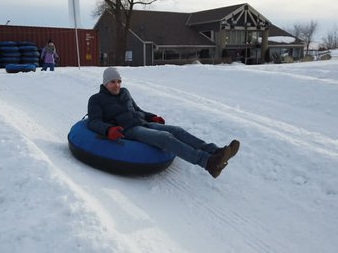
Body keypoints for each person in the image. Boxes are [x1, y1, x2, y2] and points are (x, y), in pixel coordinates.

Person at [87, 67, 240, 178]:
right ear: (105, 83)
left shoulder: (125, 92)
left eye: (119, 81)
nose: (117, 85)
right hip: (127, 130)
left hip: (141, 122)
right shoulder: (96, 99)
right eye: (113, 82)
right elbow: (94, 122)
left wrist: (152, 117)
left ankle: (215, 151)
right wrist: (109, 130)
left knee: (177, 130)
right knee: (165, 138)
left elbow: (136, 109)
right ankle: (208, 163)